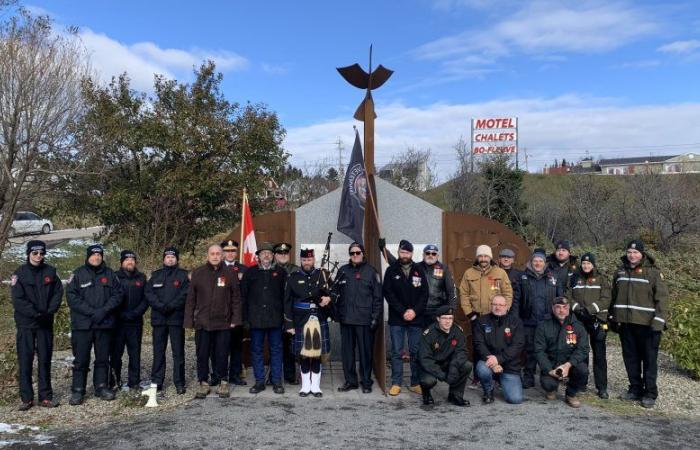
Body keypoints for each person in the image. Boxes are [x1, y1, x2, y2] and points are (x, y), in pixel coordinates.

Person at [609, 240, 668, 408]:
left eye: (635, 253)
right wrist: (613, 317)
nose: (632, 255)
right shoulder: (620, 271)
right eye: (629, 252)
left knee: (649, 361)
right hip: (626, 324)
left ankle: (650, 393)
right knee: (631, 359)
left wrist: (659, 321)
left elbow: (662, 299)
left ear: (642, 254)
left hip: (648, 325)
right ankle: (635, 389)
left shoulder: (653, 273)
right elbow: (614, 296)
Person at [66, 244, 123, 405]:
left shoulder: (110, 274)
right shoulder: (77, 274)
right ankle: (78, 390)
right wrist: (92, 312)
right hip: (83, 325)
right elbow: (72, 297)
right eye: (93, 255)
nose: (96, 258)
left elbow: (118, 295)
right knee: (81, 359)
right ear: (88, 256)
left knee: (103, 358)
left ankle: (101, 386)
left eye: (99, 255)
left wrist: (104, 311)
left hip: (104, 324)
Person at [11, 240, 63, 410]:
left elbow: (57, 293)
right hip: (26, 323)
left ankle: (45, 397)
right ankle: (26, 398)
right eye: (35, 253)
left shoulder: (50, 272)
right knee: (25, 360)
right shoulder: (19, 274)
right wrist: (35, 314)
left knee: (45, 360)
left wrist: (49, 311)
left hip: (45, 323)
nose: (38, 256)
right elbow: (18, 300)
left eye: (41, 253)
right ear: (28, 254)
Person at [185, 244, 242, 399]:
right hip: (202, 322)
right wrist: (189, 321)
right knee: (202, 354)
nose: (215, 256)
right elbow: (190, 299)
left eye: (218, 253)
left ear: (222, 255)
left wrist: (235, 319)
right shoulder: (198, 273)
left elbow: (236, 299)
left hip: (223, 322)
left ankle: (223, 381)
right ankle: (203, 382)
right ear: (207, 256)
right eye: (212, 254)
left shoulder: (230, 273)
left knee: (222, 353)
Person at [459, 244, 513, 386]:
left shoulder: (500, 273)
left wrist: (504, 310)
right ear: (477, 257)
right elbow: (463, 294)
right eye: (481, 256)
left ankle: (498, 377)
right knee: (478, 347)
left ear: (490, 257)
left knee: (499, 345)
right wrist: (469, 314)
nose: (483, 259)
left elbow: (508, 293)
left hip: (496, 316)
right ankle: (478, 376)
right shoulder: (469, 273)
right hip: (477, 317)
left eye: (486, 256)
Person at [332, 242, 382, 393]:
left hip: (364, 320)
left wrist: (375, 317)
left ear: (363, 253)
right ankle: (351, 381)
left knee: (365, 353)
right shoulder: (342, 271)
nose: (355, 255)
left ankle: (366, 381)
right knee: (347, 353)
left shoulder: (371, 272)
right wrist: (337, 314)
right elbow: (335, 294)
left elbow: (378, 298)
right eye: (352, 253)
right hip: (346, 319)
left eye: (357, 252)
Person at [284, 248, 333, 397]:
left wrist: (329, 298)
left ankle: (316, 386)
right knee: (304, 355)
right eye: (304, 260)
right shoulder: (293, 277)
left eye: (309, 260)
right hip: (300, 320)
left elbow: (334, 292)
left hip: (319, 318)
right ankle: (305, 386)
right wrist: (289, 324)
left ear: (314, 260)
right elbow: (287, 303)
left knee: (316, 354)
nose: (307, 262)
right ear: (301, 261)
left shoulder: (323, 275)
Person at [383, 239, 428, 396]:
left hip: (416, 318)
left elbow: (424, 294)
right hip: (397, 318)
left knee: (415, 351)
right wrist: (403, 311)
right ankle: (396, 383)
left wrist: (414, 311)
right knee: (396, 351)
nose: (405, 255)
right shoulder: (391, 270)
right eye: (402, 252)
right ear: (398, 253)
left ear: (411, 253)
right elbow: (388, 293)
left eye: (407, 252)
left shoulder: (419, 270)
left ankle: (415, 382)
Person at [241, 242, 287, 394]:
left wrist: (286, 319)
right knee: (256, 350)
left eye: (269, 253)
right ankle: (259, 381)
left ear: (273, 255)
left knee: (276, 350)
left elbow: (285, 297)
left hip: (275, 319)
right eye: (263, 253)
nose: (266, 255)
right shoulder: (250, 272)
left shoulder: (281, 272)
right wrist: (245, 319)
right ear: (258, 256)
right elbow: (244, 297)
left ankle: (276, 382)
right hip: (256, 320)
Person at [514, 248, 563, 388]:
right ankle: (528, 376)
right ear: (531, 261)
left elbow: (560, 299)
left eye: (540, 261)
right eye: (535, 260)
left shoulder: (552, 277)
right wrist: (516, 319)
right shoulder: (523, 277)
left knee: (546, 350)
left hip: (547, 321)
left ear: (544, 263)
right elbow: (517, 300)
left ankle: (546, 376)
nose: (537, 263)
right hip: (528, 321)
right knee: (530, 350)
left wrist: (559, 317)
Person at [566, 252, 611, 399]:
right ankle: (581, 383)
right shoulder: (575, 277)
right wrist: (577, 308)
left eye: (589, 263)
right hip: (580, 319)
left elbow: (606, 299)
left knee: (599, 355)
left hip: (596, 320)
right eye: (584, 263)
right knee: (581, 352)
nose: (586, 266)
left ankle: (602, 387)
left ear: (593, 264)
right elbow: (568, 295)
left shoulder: (602, 279)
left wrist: (590, 310)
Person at [146, 246, 190, 394]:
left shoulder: (183, 275)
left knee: (178, 352)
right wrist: (160, 306)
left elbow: (185, 294)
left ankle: (179, 382)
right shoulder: (155, 275)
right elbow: (149, 293)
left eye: (173, 257)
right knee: (158, 351)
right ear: (164, 259)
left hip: (176, 319)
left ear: (176, 259)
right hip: (159, 319)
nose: (170, 259)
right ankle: (157, 381)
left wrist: (171, 306)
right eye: (167, 257)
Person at [534, 296, 589, 408]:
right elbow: (539, 350)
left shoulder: (577, 326)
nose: (561, 310)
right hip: (552, 364)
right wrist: (549, 370)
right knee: (548, 384)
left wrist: (568, 365)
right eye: (558, 307)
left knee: (583, 370)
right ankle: (552, 388)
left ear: (569, 308)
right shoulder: (543, 325)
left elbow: (583, 349)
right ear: (553, 308)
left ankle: (571, 394)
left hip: (570, 364)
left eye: (564, 307)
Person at [472, 295, 524, 405]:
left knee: (515, 399)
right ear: (491, 306)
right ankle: (488, 390)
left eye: (501, 305)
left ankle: (501, 380)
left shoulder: (516, 322)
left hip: (510, 365)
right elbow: (479, 344)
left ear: (507, 307)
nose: (497, 307)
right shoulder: (481, 321)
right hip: (488, 361)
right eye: (495, 304)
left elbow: (517, 345)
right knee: (482, 369)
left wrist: (499, 359)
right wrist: (493, 363)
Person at [417, 306, 471, 406]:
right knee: (428, 381)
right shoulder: (429, 333)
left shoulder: (457, 331)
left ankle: (455, 395)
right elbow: (425, 359)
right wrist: (443, 376)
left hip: (449, 363)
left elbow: (462, 352)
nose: (448, 321)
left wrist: (454, 367)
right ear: (438, 319)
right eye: (444, 318)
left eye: (450, 318)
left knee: (466, 366)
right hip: (431, 365)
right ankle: (426, 394)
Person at [110, 250, 148, 392]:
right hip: (118, 322)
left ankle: (134, 382)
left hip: (135, 321)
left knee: (135, 353)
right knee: (115, 354)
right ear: (122, 262)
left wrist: (135, 313)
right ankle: (115, 381)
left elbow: (146, 298)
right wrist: (120, 314)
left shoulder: (141, 277)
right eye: (127, 260)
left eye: (132, 259)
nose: (130, 262)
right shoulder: (114, 277)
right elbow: (110, 297)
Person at [221, 239, 248, 386]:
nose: (230, 253)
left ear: (236, 252)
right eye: (227, 251)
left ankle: (235, 375)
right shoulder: (217, 268)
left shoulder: (244, 269)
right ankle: (219, 375)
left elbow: (247, 293)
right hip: (221, 315)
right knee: (220, 347)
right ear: (223, 252)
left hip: (238, 314)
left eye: (233, 251)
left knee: (236, 347)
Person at [274, 242, 300, 385]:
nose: (283, 255)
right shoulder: (270, 269)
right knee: (274, 346)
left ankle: (290, 376)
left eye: (285, 253)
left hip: (291, 314)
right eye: (280, 253)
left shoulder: (296, 270)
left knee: (290, 347)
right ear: (275, 255)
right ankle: (274, 375)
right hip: (275, 314)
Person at [418, 244, 458, 326]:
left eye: (433, 253)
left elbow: (451, 290)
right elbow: (400, 266)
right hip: (419, 311)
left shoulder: (443, 269)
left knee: (435, 338)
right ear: (423, 255)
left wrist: (450, 309)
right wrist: (384, 250)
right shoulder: (416, 267)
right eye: (428, 253)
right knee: (420, 338)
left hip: (437, 312)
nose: (430, 255)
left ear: (438, 256)